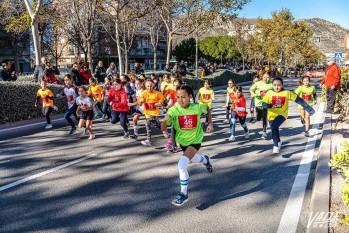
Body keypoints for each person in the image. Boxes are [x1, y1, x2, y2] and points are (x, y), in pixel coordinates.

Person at [161, 85, 213, 206]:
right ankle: (205, 160)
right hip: (183, 142)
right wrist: (165, 120)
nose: (180, 100)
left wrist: (210, 123)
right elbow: (163, 128)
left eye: (183, 97)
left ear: (190, 96)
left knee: (181, 164)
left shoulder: (197, 107)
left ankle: (183, 194)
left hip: (195, 140)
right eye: (178, 97)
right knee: (194, 158)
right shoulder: (173, 110)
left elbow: (207, 109)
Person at [262, 77, 315, 154]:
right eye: (274, 85)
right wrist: (270, 105)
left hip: (282, 114)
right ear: (272, 85)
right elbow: (264, 104)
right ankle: (279, 142)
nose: (276, 87)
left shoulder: (287, 92)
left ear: (282, 85)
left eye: (279, 85)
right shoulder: (269, 93)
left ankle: (276, 146)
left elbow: (299, 100)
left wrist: (309, 109)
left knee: (274, 126)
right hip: (271, 115)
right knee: (274, 129)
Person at [138, 79, 166, 146]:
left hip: (154, 112)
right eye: (148, 86)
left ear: (153, 86)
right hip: (147, 113)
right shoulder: (143, 93)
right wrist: (141, 101)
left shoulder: (157, 93)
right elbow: (139, 103)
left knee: (148, 124)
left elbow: (162, 98)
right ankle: (163, 129)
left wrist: (159, 103)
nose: (149, 88)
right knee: (156, 124)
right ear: (145, 86)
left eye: (151, 86)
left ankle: (148, 140)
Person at [250, 72, 273, 139]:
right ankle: (259, 117)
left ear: (270, 77)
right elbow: (251, 89)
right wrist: (254, 94)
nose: (266, 79)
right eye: (264, 77)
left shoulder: (271, 84)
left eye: (267, 77)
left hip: (266, 103)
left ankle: (264, 132)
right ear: (262, 77)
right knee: (259, 118)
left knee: (265, 117)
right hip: (258, 103)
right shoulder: (258, 83)